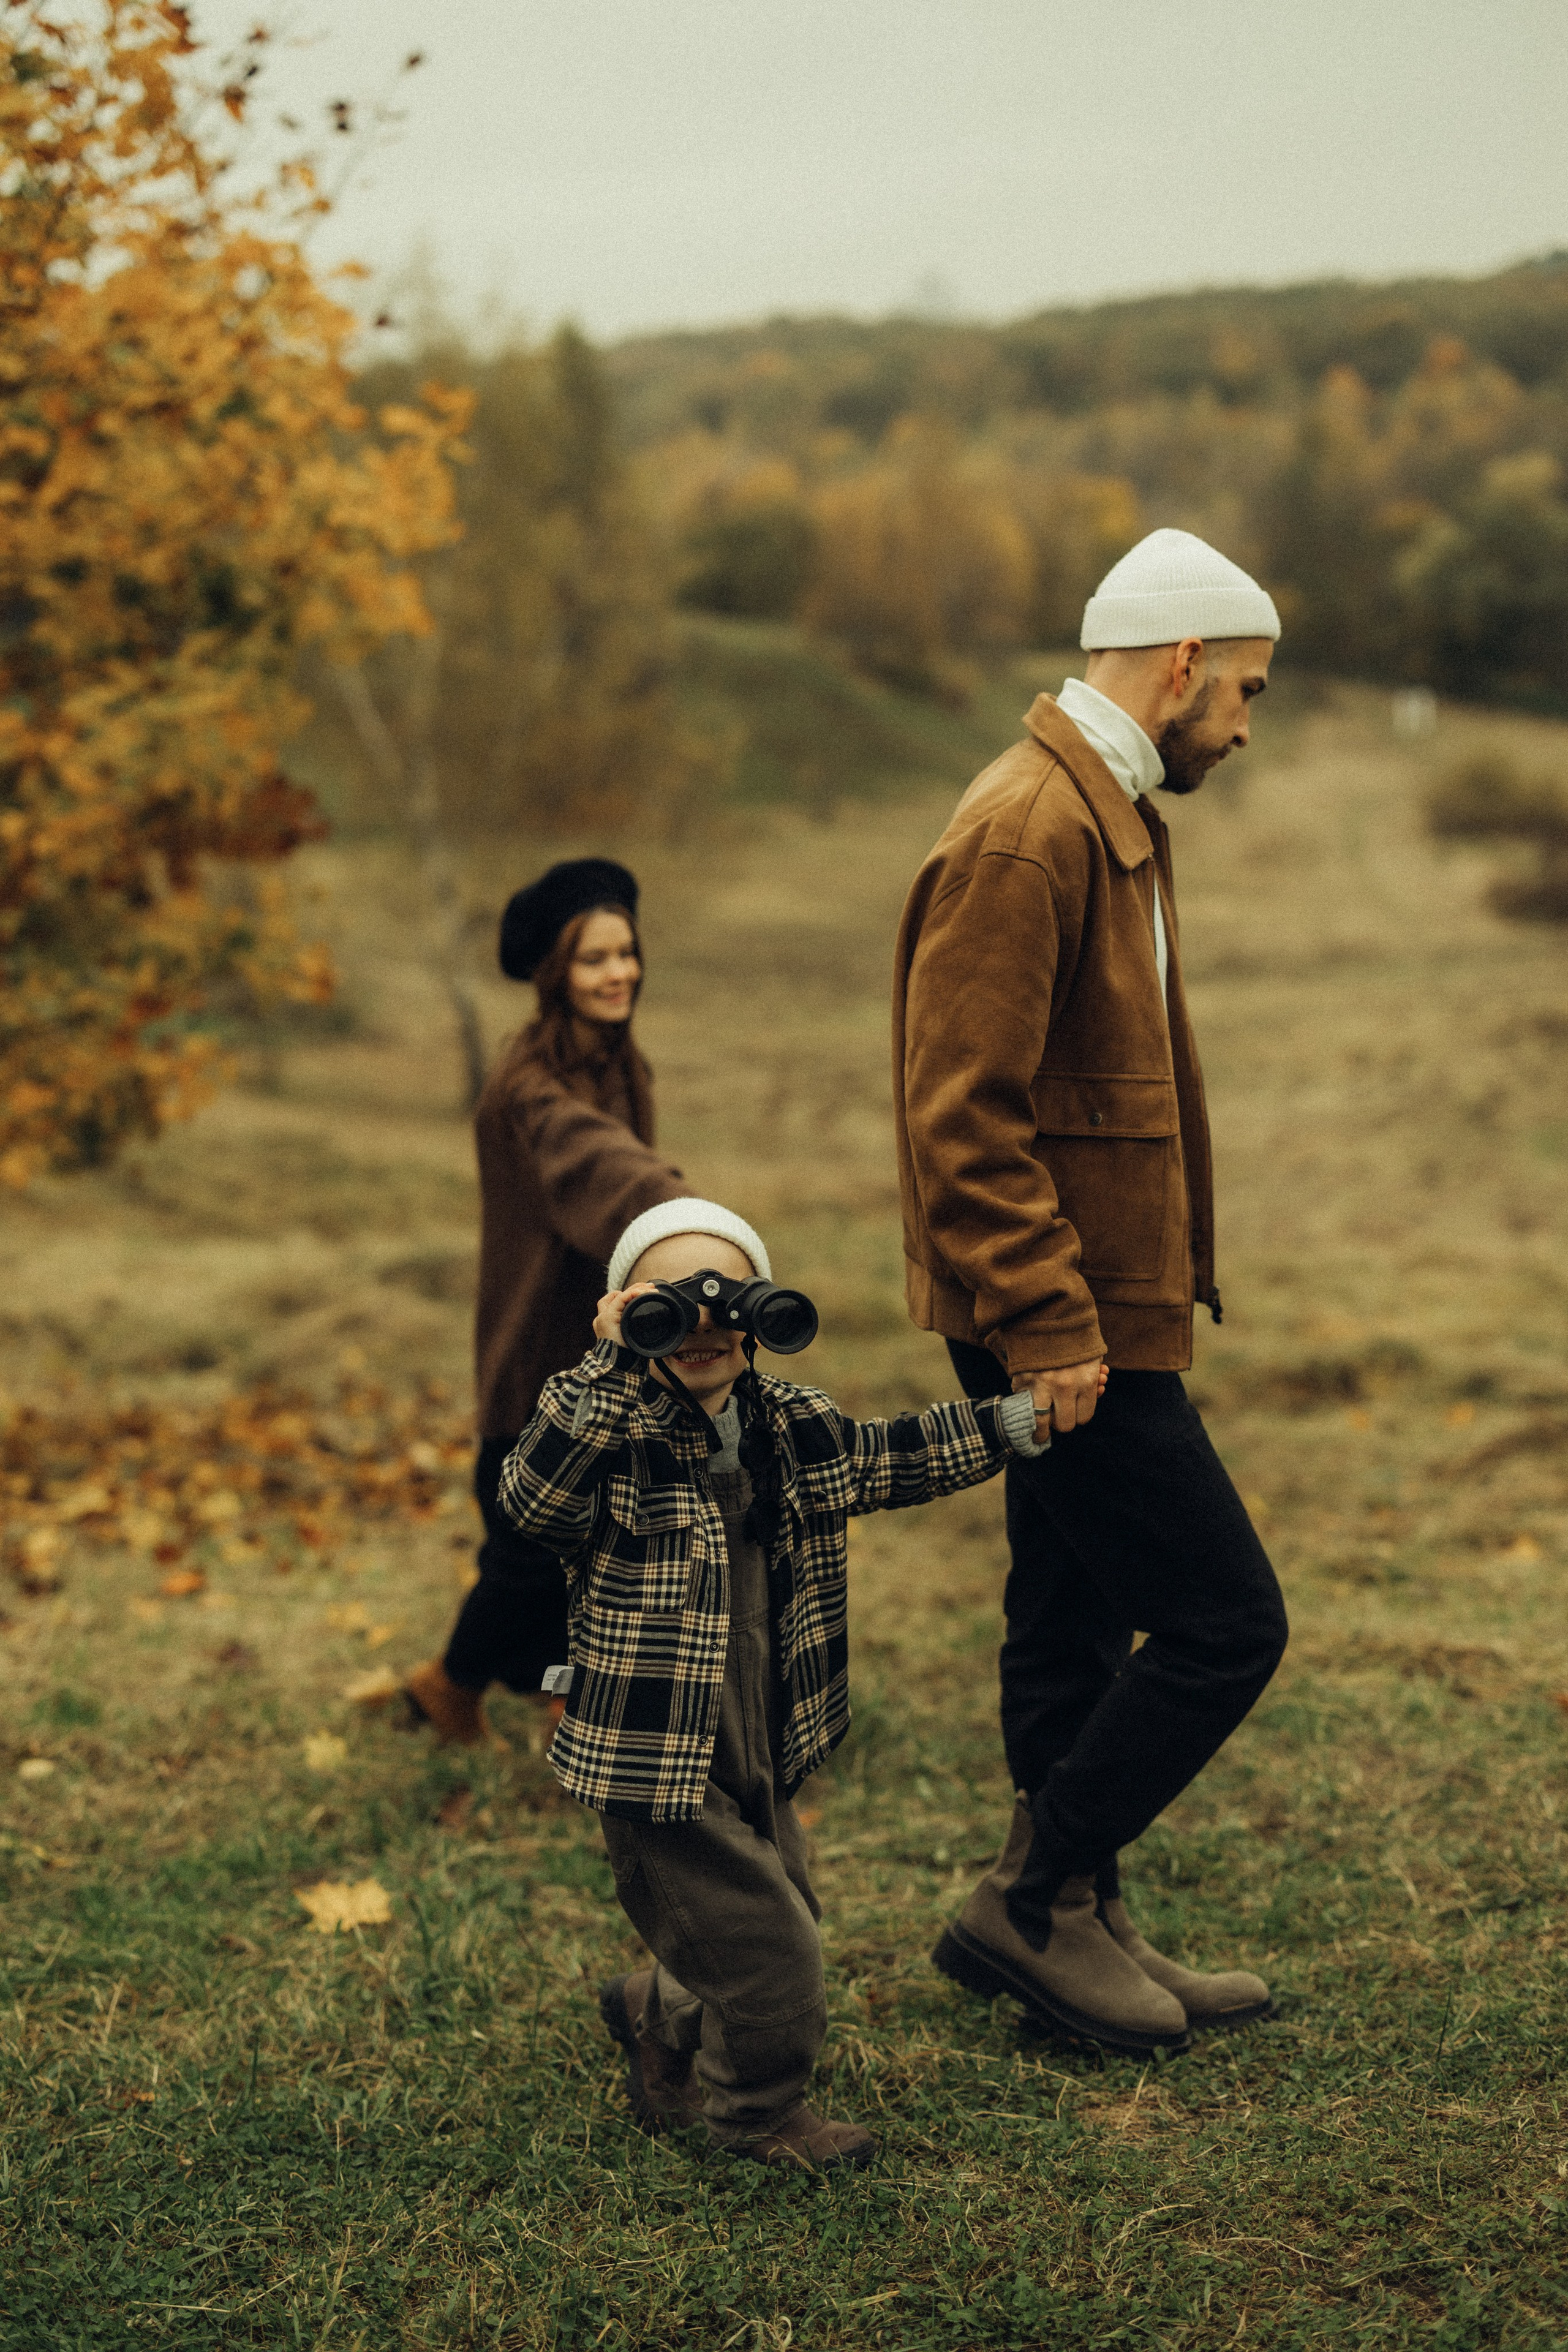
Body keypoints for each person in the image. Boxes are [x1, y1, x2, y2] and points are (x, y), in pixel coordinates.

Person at [892, 529, 1292, 2056]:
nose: (1248, 725)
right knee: (1220, 1622)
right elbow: (960, 1113)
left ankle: (1078, 1917)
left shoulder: (1099, 806)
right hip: (1048, 1314)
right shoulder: (1029, 830)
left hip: (1089, 1301)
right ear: (1180, 663)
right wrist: (1050, 1326)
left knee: (1067, 1608)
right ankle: (1033, 1896)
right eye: (1245, 690)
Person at [497, 1197, 1052, 2168]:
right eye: (671, 1305)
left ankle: (655, 2011)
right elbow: (533, 1501)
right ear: (627, 1315)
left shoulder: (791, 1424)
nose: (704, 1325)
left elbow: (896, 1458)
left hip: (763, 1731)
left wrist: (1015, 1422)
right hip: (654, 1759)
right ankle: (755, 2118)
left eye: (729, 1296)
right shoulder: (602, 1424)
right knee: (772, 1954)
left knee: (778, 1907)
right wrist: (615, 1359)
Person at [404, 859, 691, 1747]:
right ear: (554, 974)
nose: (619, 973)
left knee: (589, 1545)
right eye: (594, 959)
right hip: (538, 1360)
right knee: (529, 1554)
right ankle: (455, 1690)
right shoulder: (529, 1090)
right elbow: (602, 1168)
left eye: (627, 953)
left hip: (600, 1349)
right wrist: (689, 1228)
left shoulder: (618, 1059)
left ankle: (517, 1697)